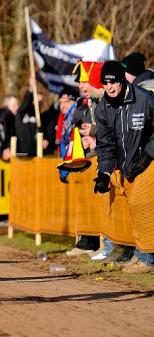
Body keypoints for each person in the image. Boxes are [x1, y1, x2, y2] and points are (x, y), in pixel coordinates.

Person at [94, 60, 154, 273]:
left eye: (113, 82)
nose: (109, 87)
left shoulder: (145, 99)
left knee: (141, 202)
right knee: (129, 208)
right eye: (105, 84)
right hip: (126, 165)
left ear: (122, 81)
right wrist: (103, 172)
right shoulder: (103, 106)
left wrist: (148, 153)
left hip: (148, 161)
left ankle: (147, 259)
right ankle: (136, 252)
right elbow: (105, 144)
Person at [65, 61, 104, 256]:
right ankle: (88, 241)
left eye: (84, 81)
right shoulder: (84, 103)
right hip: (88, 160)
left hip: (101, 159)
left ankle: (102, 243)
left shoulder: (102, 100)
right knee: (87, 203)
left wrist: (95, 134)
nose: (80, 85)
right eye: (79, 82)